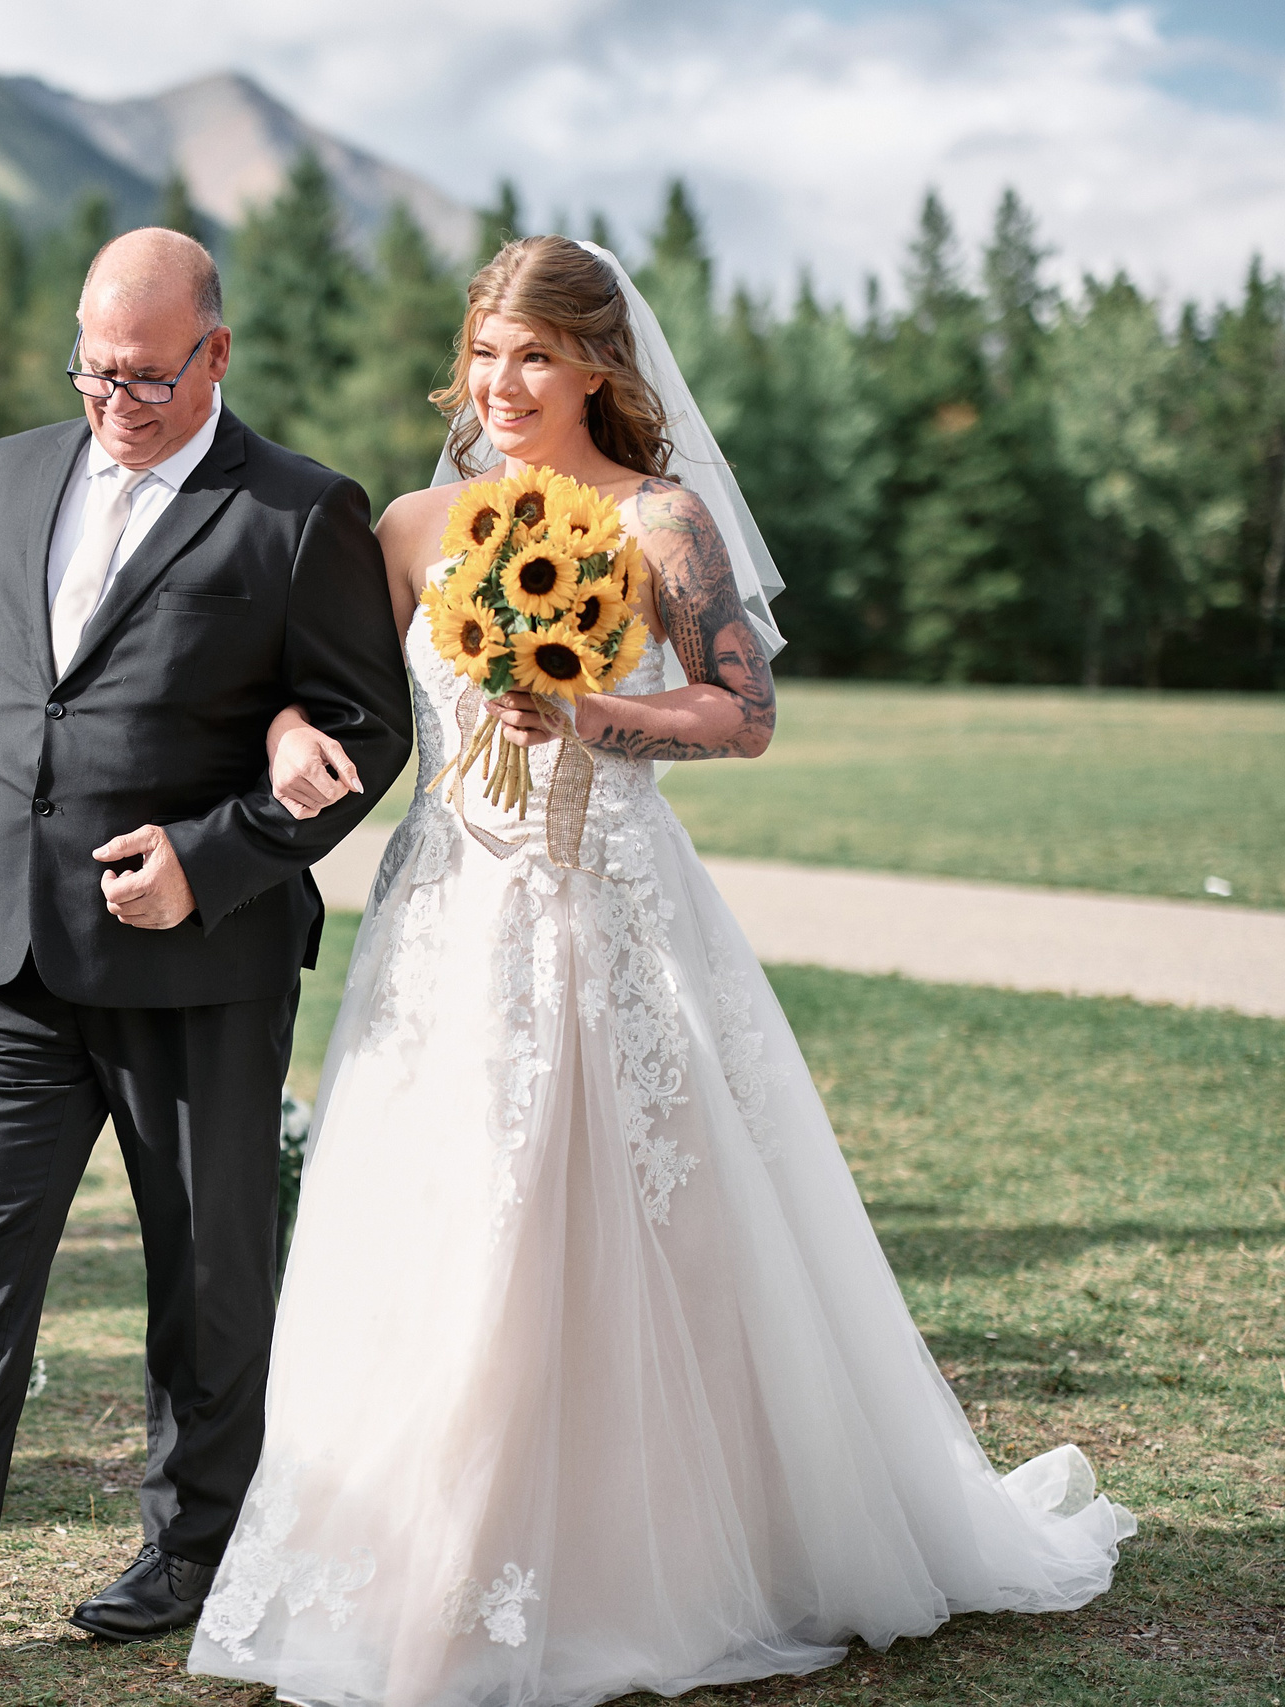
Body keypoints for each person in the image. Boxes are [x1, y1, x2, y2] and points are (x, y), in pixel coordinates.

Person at [189, 237, 1133, 1705]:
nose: (503, 385)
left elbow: (745, 715)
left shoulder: (661, 520)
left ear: (597, 369)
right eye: (487, 355)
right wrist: (279, 740)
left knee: (624, 1217)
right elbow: (344, 706)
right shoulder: (415, 528)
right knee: (435, 1213)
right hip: (444, 915)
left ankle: (655, 1551)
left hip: (602, 908)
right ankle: (413, 1554)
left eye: (536, 358)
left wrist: (587, 712)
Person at [0, 230, 413, 1647]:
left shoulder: (302, 511)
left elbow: (362, 736)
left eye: (145, 375)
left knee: (207, 1266)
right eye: (93, 368)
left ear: (216, 354)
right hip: (8, 946)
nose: (112, 399)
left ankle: (195, 1552)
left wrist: (210, 862)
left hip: (199, 968)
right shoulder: (13, 471)